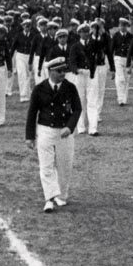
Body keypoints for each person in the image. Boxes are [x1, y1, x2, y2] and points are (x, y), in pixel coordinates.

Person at [26, 57, 83, 213]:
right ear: (50, 72)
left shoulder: (70, 88)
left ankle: (61, 195)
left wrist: (70, 127)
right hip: (45, 130)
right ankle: (49, 198)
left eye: (64, 70)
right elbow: (32, 113)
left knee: (65, 165)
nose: (62, 74)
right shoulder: (39, 89)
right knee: (46, 166)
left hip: (64, 132)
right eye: (59, 71)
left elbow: (77, 109)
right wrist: (30, 136)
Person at [111, 17, 133, 106]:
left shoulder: (130, 36)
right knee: (120, 79)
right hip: (118, 58)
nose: (123, 27)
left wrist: (132, 61)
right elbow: (111, 49)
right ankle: (120, 99)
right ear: (119, 26)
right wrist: (111, 63)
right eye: (121, 25)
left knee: (126, 79)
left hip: (127, 59)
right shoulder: (116, 36)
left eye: (125, 25)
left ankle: (124, 98)